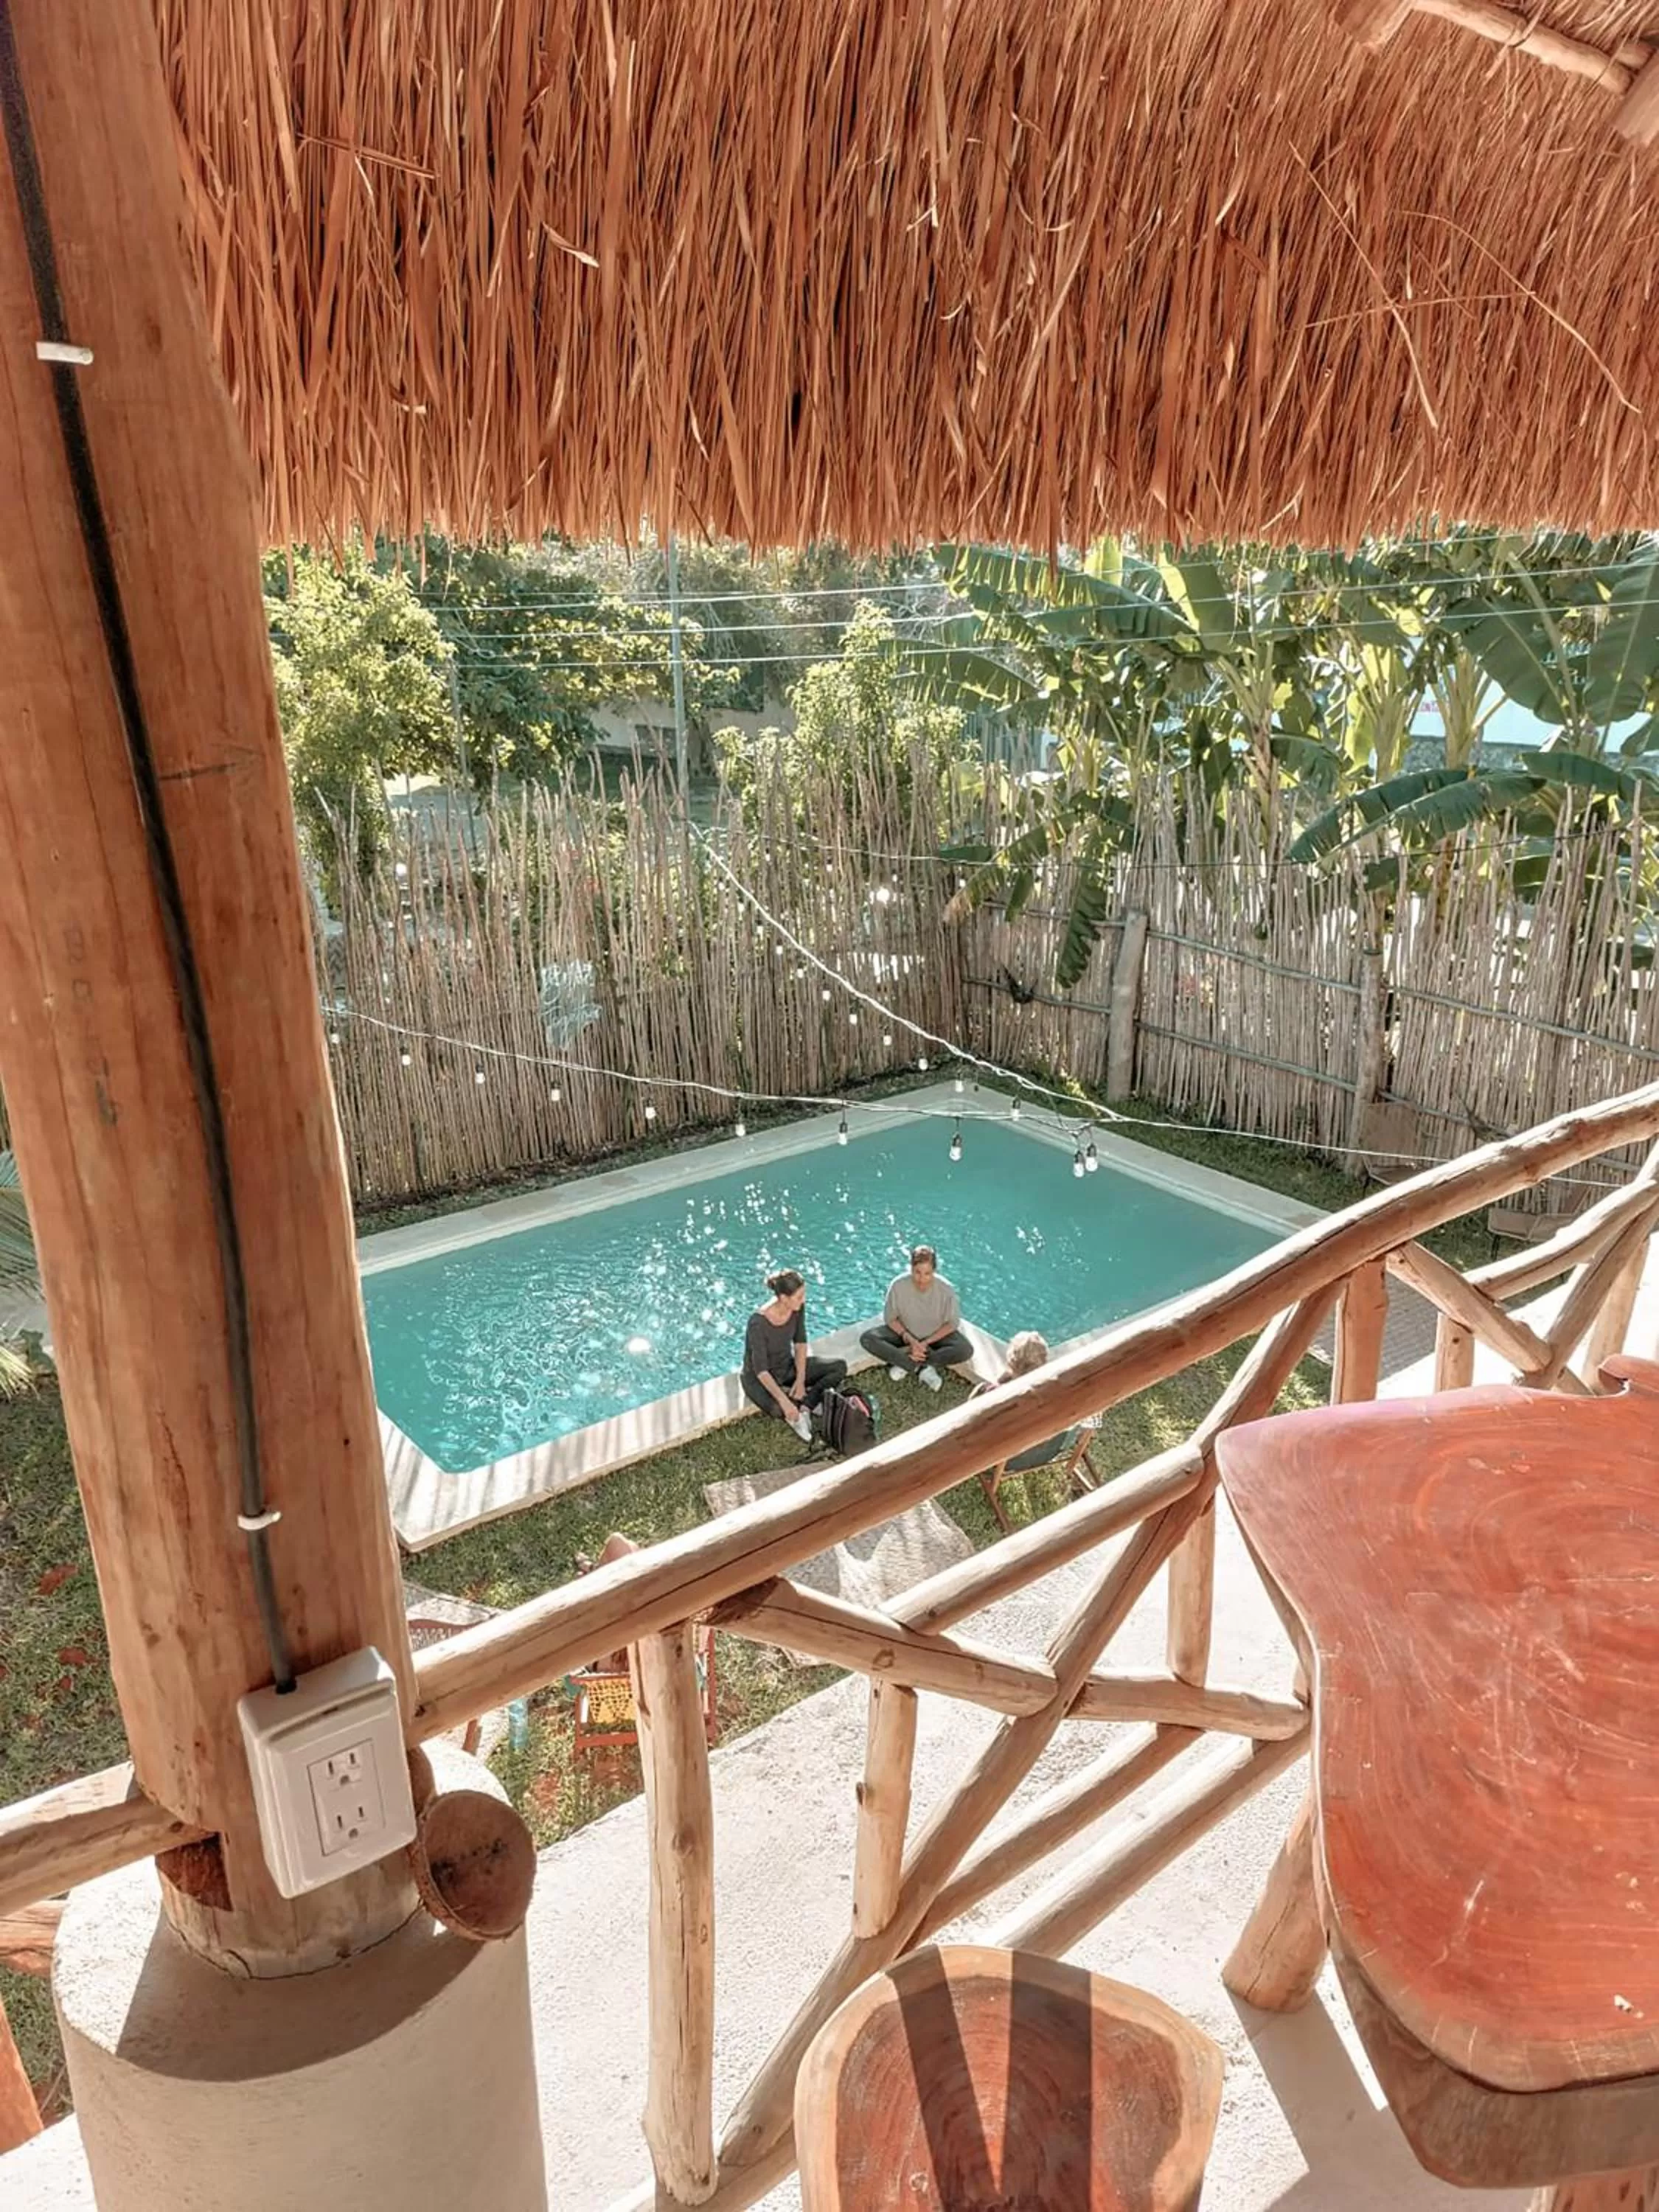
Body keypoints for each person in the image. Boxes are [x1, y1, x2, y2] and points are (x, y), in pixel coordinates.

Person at [740, 1268, 847, 1442]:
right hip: (758, 1378)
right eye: (799, 1296)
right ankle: (796, 1407)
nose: (803, 1300)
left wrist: (800, 1379)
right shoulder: (757, 1323)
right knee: (778, 1409)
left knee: (839, 1367)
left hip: (785, 1367)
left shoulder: (797, 1308)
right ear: (783, 1298)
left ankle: (807, 1405)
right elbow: (761, 1370)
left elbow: (800, 1343)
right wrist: (784, 1402)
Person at [860, 1245, 974, 1394]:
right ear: (911, 1268)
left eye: (927, 1273)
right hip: (905, 1333)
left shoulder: (946, 1290)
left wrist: (925, 1343)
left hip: (935, 1336)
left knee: (965, 1349)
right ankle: (915, 1365)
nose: (922, 1279)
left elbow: (952, 1324)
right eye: (917, 1272)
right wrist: (911, 1340)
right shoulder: (898, 1285)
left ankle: (919, 1362)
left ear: (934, 1271)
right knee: (868, 1339)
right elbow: (890, 1319)